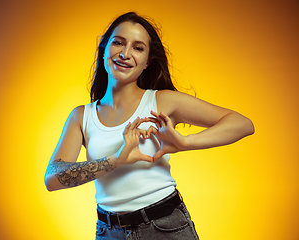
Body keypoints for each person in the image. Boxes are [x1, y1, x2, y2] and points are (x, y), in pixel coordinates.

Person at [44, 12, 254, 240]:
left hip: (165, 227)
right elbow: (53, 179)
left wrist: (185, 142)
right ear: (104, 48)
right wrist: (115, 160)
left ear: (147, 62)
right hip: (108, 232)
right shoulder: (82, 116)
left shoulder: (162, 102)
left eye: (138, 48)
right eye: (118, 43)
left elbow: (242, 124)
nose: (125, 54)